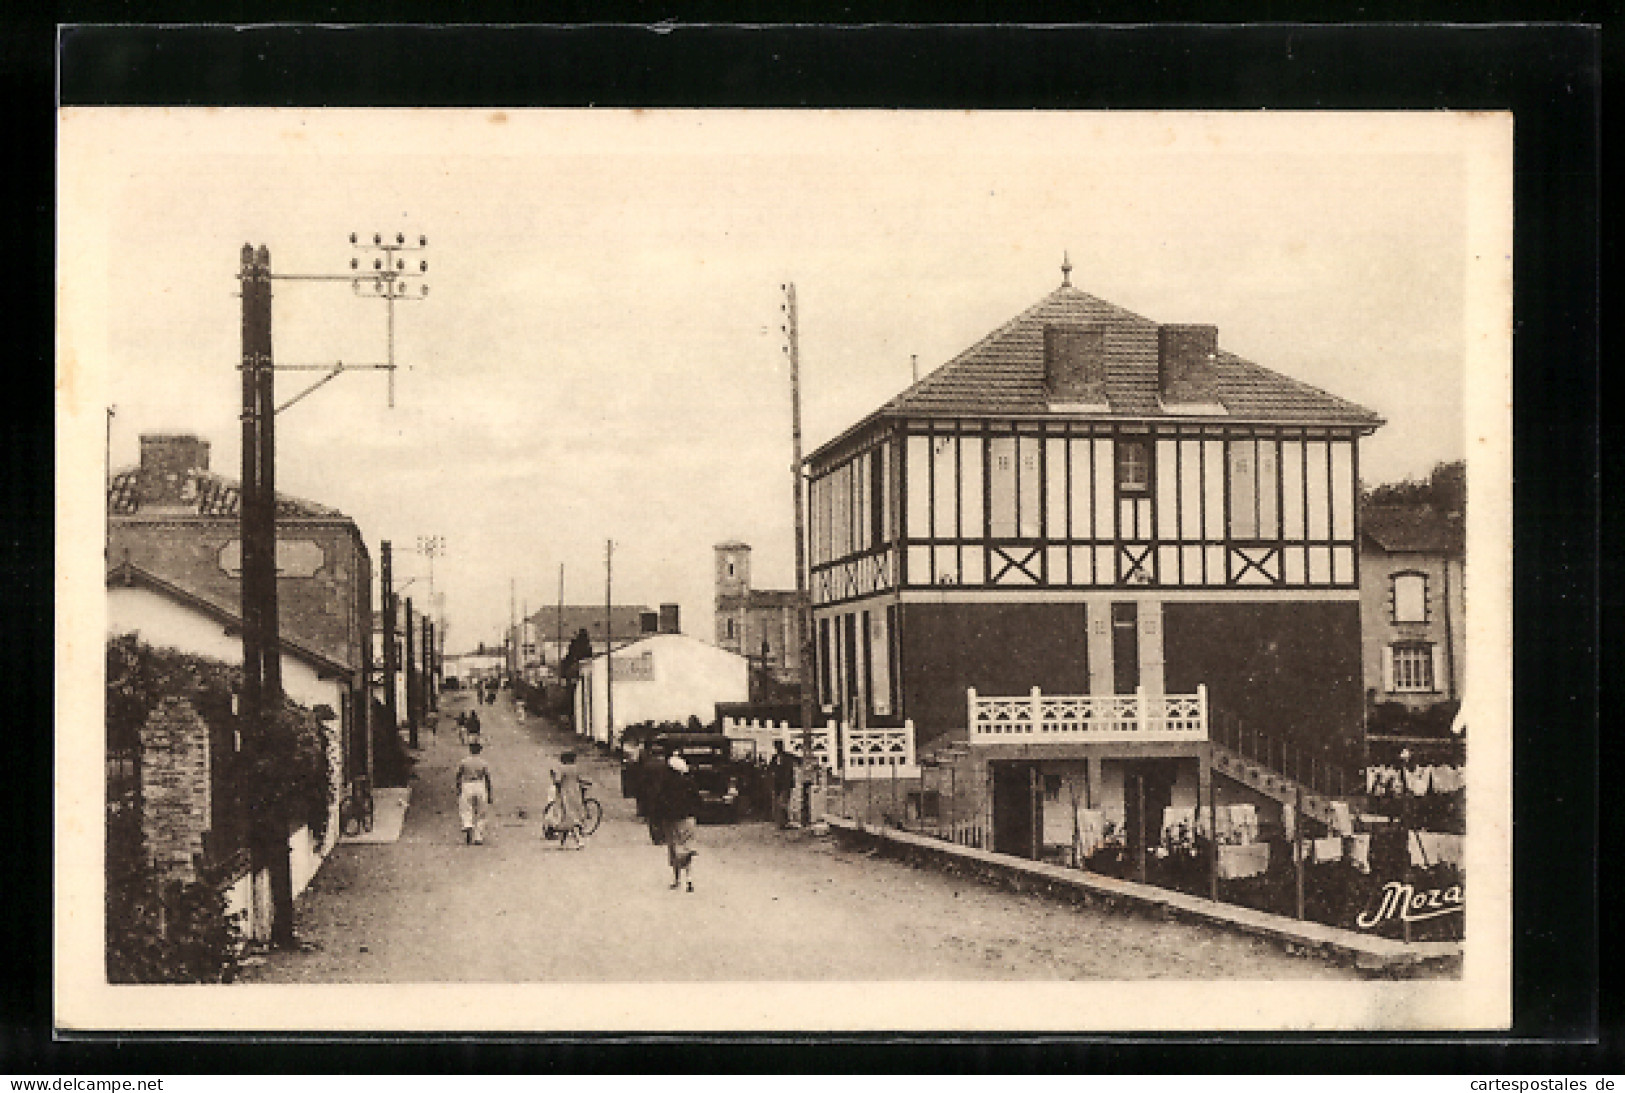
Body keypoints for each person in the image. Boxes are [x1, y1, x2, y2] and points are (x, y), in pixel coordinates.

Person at [654, 754, 701, 892]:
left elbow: (659, 800)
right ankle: (689, 878)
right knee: (687, 847)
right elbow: (697, 800)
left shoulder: (665, 783)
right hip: (688, 818)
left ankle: (676, 879)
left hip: (670, 819)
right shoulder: (690, 782)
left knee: (673, 847)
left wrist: (657, 818)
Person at [455, 739, 494, 845]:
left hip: (467, 785)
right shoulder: (483, 763)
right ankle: (478, 837)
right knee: (481, 812)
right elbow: (488, 778)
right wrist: (489, 793)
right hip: (479, 785)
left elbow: (458, 775)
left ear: (470, 750)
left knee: (466, 807)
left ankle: (467, 824)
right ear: (479, 751)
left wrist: (458, 788)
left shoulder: (464, 762)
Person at [550, 751, 590, 850]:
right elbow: (580, 779)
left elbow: (558, 781)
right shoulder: (575, 768)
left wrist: (553, 777)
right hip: (576, 794)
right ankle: (562, 843)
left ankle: (579, 841)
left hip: (565, 794)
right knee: (570, 817)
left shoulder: (562, 769)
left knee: (569, 818)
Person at [768, 739, 801, 829]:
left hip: (786, 783)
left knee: (783, 802)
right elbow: (770, 769)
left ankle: (785, 821)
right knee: (778, 803)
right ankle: (781, 822)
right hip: (777, 784)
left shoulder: (788, 757)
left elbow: (799, 761)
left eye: (779, 746)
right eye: (776, 746)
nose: (777, 748)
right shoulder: (774, 758)